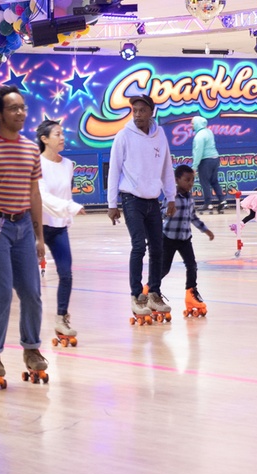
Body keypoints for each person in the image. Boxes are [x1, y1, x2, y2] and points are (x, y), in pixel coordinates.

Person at [0, 85, 48, 383]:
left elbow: (34, 193)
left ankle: (31, 350)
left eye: (23, 107)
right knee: (0, 293)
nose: (20, 112)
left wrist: (39, 237)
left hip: (24, 225)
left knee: (31, 291)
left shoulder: (30, 148)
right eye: (13, 108)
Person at [107, 94, 177, 321]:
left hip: (153, 200)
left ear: (151, 113)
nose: (137, 114)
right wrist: (112, 203)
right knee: (139, 245)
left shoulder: (159, 135)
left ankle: (154, 292)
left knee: (158, 247)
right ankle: (137, 296)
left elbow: (167, 166)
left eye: (142, 110)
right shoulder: (123, 136)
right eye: (134, 110)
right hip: (131, 199)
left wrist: (171, 197)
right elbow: (114, 170)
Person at [36, 119, 84, 342]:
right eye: (57, 134)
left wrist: (67, 215)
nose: (62, 137)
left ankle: (61, 318)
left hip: (58, 228)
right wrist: (71, 208)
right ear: (44, 139)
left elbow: (66, 195)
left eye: (63, 133)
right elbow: (42, 198)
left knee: (66, 273)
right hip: (35, 227)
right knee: (22, 279)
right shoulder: (36, 164)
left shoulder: (68, 164)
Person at [162, 165, 214, 317]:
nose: (190, 183)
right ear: (177, 180)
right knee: (164, 268)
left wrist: (205, 230)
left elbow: (193, 217)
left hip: (185, 238)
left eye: (192, 180)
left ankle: (191, 293)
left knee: (192, 265)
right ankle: (151, 290)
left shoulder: (190, 198)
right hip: (169, 238)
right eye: (187, 180)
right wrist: (167, 212)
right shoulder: (171, 197)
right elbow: (161, 214)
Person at [191, 115, 225, 214]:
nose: (191, 126)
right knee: (214, 181)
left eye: (192, 123)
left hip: (206, 160)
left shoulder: (199, 136)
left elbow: (198, 152)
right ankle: (222, 200)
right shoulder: (208, 132)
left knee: (204, 182)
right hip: (215, 159)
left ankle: (208, 203)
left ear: (197, 124)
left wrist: (194, 167)